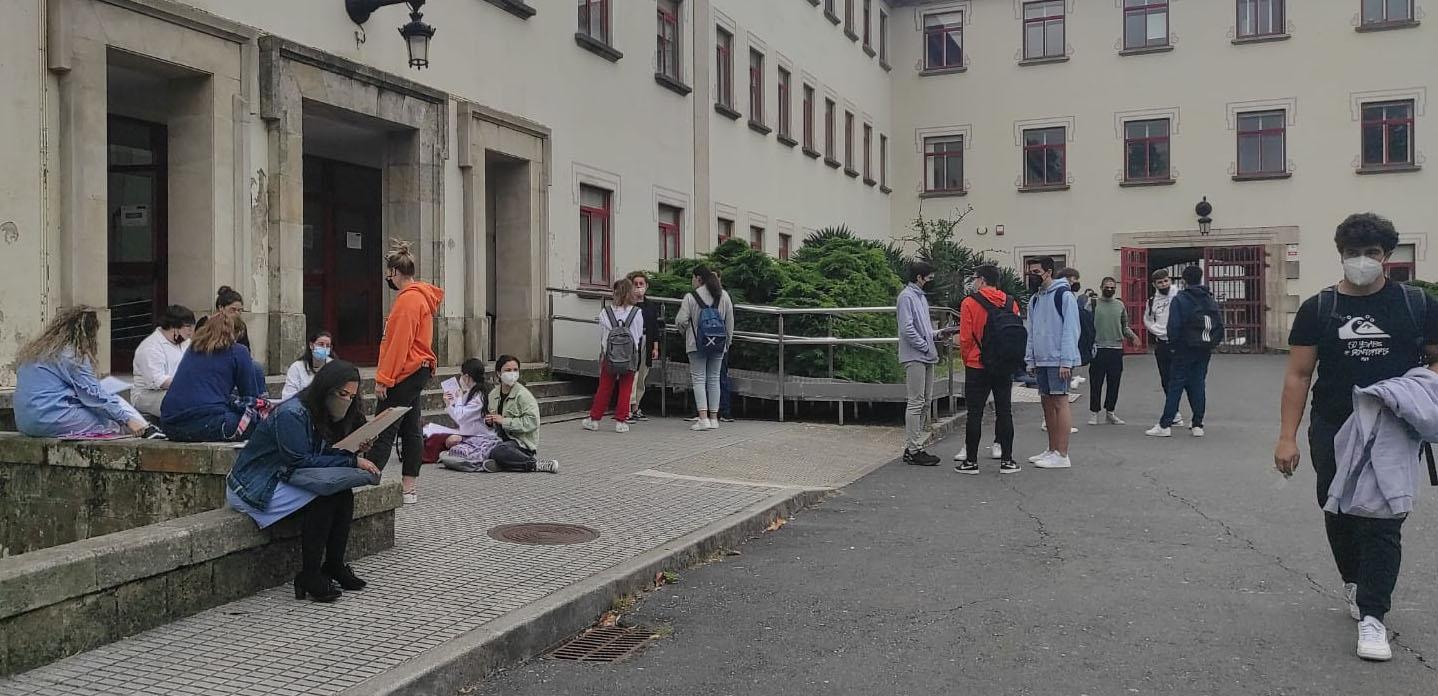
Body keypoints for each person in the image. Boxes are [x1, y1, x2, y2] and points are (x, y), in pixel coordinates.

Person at [1275, 212, 1438, 662]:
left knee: (1384, 518)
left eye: (1371, 253)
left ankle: (1373, 616)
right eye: (1352, 253)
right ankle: (1354, 581)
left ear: (1386, 256)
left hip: (1393, 429)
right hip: (1333, 425)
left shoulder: (1416, 305)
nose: (1361, 260)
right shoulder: (1319, 309)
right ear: (1340, 254)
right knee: (1338, 509)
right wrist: (1287, 437)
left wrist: (1413, 390)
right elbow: (1298, 374)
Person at [226, 360, 381, 603]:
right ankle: (310, 574)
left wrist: (354, 449)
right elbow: (299, 460)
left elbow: (321, 454)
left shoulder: (321, 412)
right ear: (327, 389)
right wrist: (351, 461)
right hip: (255, 485)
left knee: (342, 492)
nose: (347, 401)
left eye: (351, 396)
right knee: (324, 497)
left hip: (283, 475)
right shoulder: (292, 413)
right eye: (343, 394)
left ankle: (334, 565)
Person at [13, 306, 165, 440]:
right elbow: (94, 396)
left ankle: (146, 428)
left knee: (109, 401)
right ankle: (146, 430)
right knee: (113, 422)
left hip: (26, 421)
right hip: (51, 419)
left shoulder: (36, 352)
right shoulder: (72, 355)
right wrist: (127, 420)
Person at [369, 240, 444, 505]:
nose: (388, 279)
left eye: (388, 274)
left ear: (395, 272)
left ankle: (368, 482)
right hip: (418, 368)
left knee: (384, 426)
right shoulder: (421, 297)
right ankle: (409, 487)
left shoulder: (408, 301)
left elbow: (398, 344)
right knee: (411, 426)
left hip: (406, 370)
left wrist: (384, 379)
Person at [953, 264, 1021, 475]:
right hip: (1004, 364)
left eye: (975, 278)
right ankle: (1007, 460)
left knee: (975, 413)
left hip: (977, 363)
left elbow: (965, 338)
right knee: (1004, 411)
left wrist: (967, 359)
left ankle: (971, 461)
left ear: (982, 280)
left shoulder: (969, 303)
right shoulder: (1010, 302)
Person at [161, 313, 267, 442]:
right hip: (208, 422)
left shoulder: (193, 349)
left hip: (170, 425)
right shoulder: (238, 351)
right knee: (259, 424)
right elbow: (250, 400)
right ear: (237, 334)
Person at [1146, 265, 1220, 438]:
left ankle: (1165, 424)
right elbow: (1219, 323)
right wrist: (1212, 343)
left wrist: (1174, 344)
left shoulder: (1180, 299)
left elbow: (1174, 326)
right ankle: (1197, 424)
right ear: (1200, 278)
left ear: (1184, 280)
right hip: (1204, 347)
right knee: (1198, 384)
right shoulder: (1209, 298)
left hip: (1184, 347)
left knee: (1175, 385)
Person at [1024, 256, 1080, 469]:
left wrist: (1066, 360)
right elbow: (1031, 331)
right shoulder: (1035, 299)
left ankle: (1062, 454)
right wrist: (1030, 359)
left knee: (1060, 402)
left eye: (1036, 272)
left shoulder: (1064, 295)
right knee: (1046, 403)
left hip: (1058, 359)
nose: (1032, 277)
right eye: (1030, 272)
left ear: (1048, 272)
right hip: (1042, 359)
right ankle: (1052, 449)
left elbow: (1071, 329)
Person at [675, 265, 735, 431]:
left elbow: (681, 321)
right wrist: (727, 343)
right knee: (714, 378)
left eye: (693, 278)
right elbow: (730, 322)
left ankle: (703, 418)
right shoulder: (724, 295)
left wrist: (686, 333)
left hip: (696, 344)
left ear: (698, 278)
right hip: (719, 344)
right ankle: (714, 418)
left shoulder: (690, 297)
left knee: (699, 379)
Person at [583, 278, 645, 433]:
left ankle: (594, 419)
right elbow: (638, 336)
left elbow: (602, 336)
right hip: (630, 355)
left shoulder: (605, 312)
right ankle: (621, 421)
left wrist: (605, 351)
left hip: (610, 355)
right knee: (626, 387)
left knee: (605, 387)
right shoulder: (637, 312)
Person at [897, 261, 941, 465]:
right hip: (915, 355)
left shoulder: (920, 297)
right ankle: (914, 448)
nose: (930, 281)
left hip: (926, 353)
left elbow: (924, 327)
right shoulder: (906, 297)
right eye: (928, 277)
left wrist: (936, 335)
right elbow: (907, 328)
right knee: (916, 401)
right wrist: (924, 345)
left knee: (926, 401)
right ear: (919, 277)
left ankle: (915, 444)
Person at [486, 355, 560, 473]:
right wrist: (490, 422)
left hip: (521, 443)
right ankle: (504, 464)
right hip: (500, 439)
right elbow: (493, 420)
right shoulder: (493, 395)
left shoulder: (523, 395)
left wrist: (504, 421)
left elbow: (532, 422)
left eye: (515, 370)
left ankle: (535, 464)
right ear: (499, 373)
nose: (512, 373)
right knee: (484, 448)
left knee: (499, 451)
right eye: (508, 370)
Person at [437, 358, 504, 472]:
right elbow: (461, 418)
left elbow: (461, 416)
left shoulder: (480, 396)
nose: (461, 379)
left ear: (467, 377)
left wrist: (458, 399)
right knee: (448, 441)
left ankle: (482, 462)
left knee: (455, 451)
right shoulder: (472, 392)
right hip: (471, 435)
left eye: (462, 375)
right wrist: (449, 405)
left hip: (483, 438)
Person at [1088, 277, 1139, 426]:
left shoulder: (1119, 305)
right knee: (1096, 382)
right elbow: (1085, 325)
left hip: (1116, 349)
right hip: (1098, 348)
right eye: (1107, 287)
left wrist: (1134, 337)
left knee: (1114, 382)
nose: (1109, 289)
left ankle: (1110, 412)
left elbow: (1124, 326)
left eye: (1112, 287)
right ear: (1101, 287)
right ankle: (1094, 412)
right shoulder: (1092, 304)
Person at [131, 304, 196, 420]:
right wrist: (188, 385)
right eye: (187, 326)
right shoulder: (150, 347)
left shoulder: (186, 343)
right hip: (148, 395)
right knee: (184, 399)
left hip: (179, 389)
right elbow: (158, 381)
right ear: (173, 326)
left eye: (192, 326)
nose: (191, 330)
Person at [1144, 269, 1185, 427]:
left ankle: (1196, 418)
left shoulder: (1179, 295)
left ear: (1170, 280)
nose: (1164, 284)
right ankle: (1174, 412)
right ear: (1154, 284)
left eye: (1166, 281)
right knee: (1166, 379)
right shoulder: (1152, 301)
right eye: (1160, 282)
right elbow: (1147, 319)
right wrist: (1157, 330)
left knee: (1184, 379)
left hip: (1179, 342)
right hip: (1162, 343)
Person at [626, 271, 665, 421]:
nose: (638, 287)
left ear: (646, 286)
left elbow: (654, 328)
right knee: (632, 375)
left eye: (641, 284)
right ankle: (627, 407)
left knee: (642, 375)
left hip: (646, 341)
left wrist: (655, 347)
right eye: (635, 284)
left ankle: (636, 407)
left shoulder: (650, 306)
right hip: (632, 342)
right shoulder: (629, 304)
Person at [283, 330, 334, 400]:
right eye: (321, 344)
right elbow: (288, 397)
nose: (324, 348)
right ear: (311, 345)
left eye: (327, 346)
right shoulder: (297, 367)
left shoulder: (333, 366)